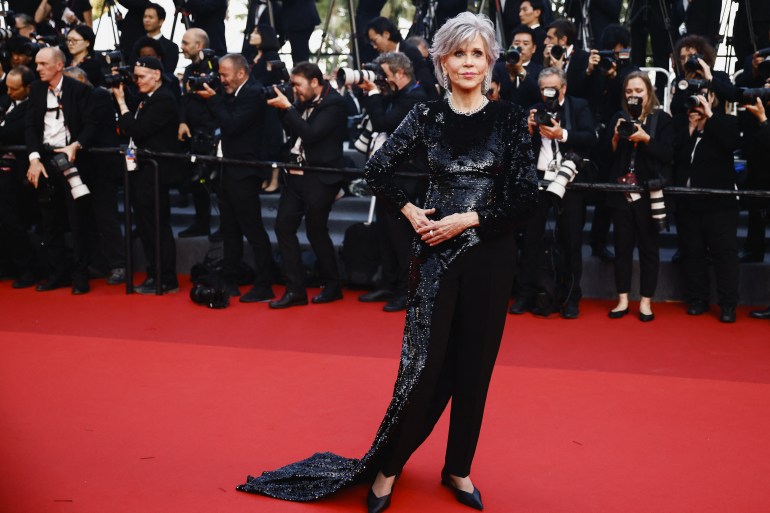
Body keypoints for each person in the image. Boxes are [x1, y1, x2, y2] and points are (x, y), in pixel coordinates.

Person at [236, 13, 538, 512]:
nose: (468, 63)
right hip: (436, 259)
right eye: (458, 54)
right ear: (442, 61)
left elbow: (526, 199)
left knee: (475, 369)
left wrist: (467, 219)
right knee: (421, 369)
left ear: (489, 63)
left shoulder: (509, 119)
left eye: (477, 54)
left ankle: (458, 469)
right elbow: (377, 171)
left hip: (489, 256)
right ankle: (387, 466)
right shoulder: (426, 116)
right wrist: (410, 208)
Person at [510, 66, 596, 319]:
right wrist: (525, 131)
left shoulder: (577, 106)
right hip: (537, 180)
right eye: (543, 89)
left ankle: (570, 298)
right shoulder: (533, 110)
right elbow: (515, 148)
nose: (547, 94)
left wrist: (562, 134)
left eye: (552, 89)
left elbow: (591, 138)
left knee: (571, 241)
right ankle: (525, 294)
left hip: (568, 179)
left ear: (564, 88)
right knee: (530, 240)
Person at [265, 62, 347, 308]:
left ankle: (332, 285)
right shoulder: (301, 101)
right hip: (296, 174)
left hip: (321, 176)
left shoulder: (335, 103)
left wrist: (289, 108)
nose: (295, 90)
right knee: (283, 227)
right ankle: (295, 289)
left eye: (297, 85)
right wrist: (285, 109)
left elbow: (311, 135)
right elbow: (292, 129)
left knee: (315, 230)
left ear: (315, 82)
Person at [195, 54, 275, 303]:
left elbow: (232, 125)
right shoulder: (231, 93)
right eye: (219, 74)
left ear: (241, 73)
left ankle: (265, 284)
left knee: (252, 228)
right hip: (228, 169)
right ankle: (230, 278)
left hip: (245, 169)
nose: (221, 79)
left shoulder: (253, 93)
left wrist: (214, 100)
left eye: (225, 75)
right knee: (229, 228)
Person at [356, 51, 428, 312]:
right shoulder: (400, 94)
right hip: (390, 174)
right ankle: (388, 283)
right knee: (385, 233)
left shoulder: (416, 98)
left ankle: (406, 291)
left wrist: (375, 94)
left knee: (400, 235)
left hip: (407, 177)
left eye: (385, 75)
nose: (381, 80)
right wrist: (373, 93)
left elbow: (383, 123)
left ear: (400, 73)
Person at [25, 46, 96, 294]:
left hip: (73, 160)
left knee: (77, 221)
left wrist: (75, 146)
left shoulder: (80, 91)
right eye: (37, 64)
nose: (38, 68)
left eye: (43, 64)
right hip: (44, 160)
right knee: (49, 220)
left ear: (58, 66)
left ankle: (80, 274)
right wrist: (34, 159)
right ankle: (57, 273)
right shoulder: (35, 90)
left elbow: (91, 125)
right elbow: (30, 128)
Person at [672, 81, 741, 323]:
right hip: (688, 204)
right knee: (692, 253)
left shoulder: (725, 122)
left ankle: (728, 304)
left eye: (703, 97)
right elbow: (670, 153)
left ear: (712, 98)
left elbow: (731, 143)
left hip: (719, 205)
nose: (697, 102)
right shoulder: (682, 128)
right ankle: (697, 299)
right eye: (694, 98)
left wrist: (710, 116)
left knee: (725, 255)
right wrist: (690, 128)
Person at [606, 71, 673, 321]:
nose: (634, 96)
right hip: (621, 192)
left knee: (648, 249)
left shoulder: (662, 119)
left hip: (647, 192)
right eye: (629, 92)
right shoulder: (619, 117)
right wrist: (615, 137)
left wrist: (645, 138)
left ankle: (646, 301)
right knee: (622, 247)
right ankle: (622, 299)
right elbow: (606, 155)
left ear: (649, 92)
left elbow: (667, 154)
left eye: (639, 91)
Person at [111, 57, 181, 294]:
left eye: (140, 77)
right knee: (146, 225)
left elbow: (137, 130)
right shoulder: (147, 99)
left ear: (157, 75)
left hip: (155, 172)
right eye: (135, 76)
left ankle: (166, 278)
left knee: (157, 226)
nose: (136, 81)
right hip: (141, 170)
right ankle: (155, 273)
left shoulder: (164, 100)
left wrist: (121, 102)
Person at [142, 3, 179, 74]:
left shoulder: (171, 47)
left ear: (161, 21)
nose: (146, 20)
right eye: (145, 16)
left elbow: (168, 72)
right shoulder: (137, 43)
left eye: (150, 17)